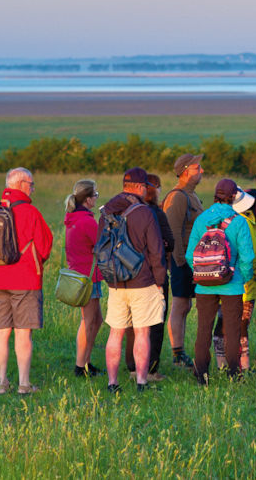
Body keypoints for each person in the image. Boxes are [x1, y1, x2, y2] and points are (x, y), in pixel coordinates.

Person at [101, 168, 166, 393]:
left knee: (115, 332)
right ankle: (141, 380)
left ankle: (112, 382)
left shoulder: (106, 209)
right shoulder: (145, 212)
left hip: (115, 281)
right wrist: (160, 280)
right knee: (142, 332)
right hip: (143, 280)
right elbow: (156, 250)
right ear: (140, 187)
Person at [0, 167, 53, 395]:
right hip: (25, 279)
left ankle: (1, 382)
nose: (33, 188)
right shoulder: (30, 212)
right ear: (22, 184)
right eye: (31, 184)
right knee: (23, 333)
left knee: (1, 331)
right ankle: (24, 384)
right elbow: (45, 245)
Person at [186, 178, 255, 384]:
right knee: (232, 331)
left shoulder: (201, 220)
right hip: (232, 284)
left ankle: (201, 375)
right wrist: (243, 276)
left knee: (203, 330)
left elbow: (190, 255)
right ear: (234, 197)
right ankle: (234, 374)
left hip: (204, 285)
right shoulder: (239, 221)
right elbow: (247, 257)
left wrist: (203, 272)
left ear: (215, 194)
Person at [123, 173, 173, 381]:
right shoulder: (155, 213)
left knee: (130, 324)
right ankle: (150, 369)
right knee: (154, 323)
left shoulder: (124, 211)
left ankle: (131, 366)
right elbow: (169, 242)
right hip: (151, 275)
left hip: (125, 273)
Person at [163, 153, 203, 369]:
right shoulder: (178, 196)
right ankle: (177, 353)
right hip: (183, 261)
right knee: (180, 305)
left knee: (186, 305)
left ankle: (181, 352)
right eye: (198, 168)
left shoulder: (192, 195)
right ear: (186, 171)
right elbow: (173, 232)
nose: (202, 171)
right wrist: (179, 262)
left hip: (193, 261)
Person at [64, 179, 103, 377]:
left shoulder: (73, 218)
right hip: (89, 277)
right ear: (88, 199)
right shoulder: (87, 221)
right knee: (88, 321)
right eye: (95, 195)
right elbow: (101, 243)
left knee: (97, 319)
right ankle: (81, 366)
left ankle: (86, 361)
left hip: (82, 274)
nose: (96, 199)